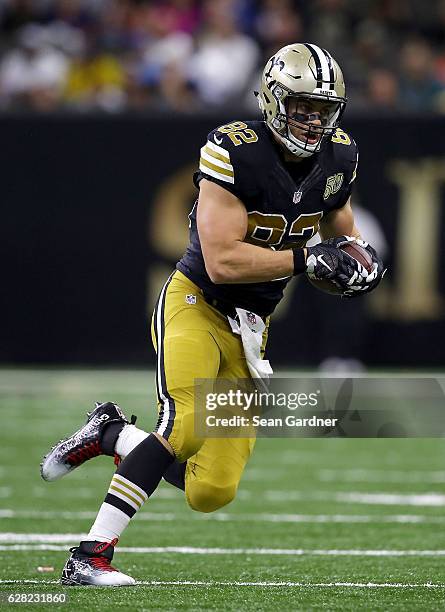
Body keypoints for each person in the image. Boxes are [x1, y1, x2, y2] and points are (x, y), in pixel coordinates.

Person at [41, 42, 385, 586]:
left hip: (252, 330)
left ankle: (112, 435)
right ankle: (90, 555)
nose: (313, 120)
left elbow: (337, 211)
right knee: (180, 427)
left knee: (211, 491)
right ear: (274, 101)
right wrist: (308, 258)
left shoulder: (340, 154)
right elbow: (223, 262)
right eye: (302, 107)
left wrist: (356, 252)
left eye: (323, 110)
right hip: (197, 305)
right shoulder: (235, 149)